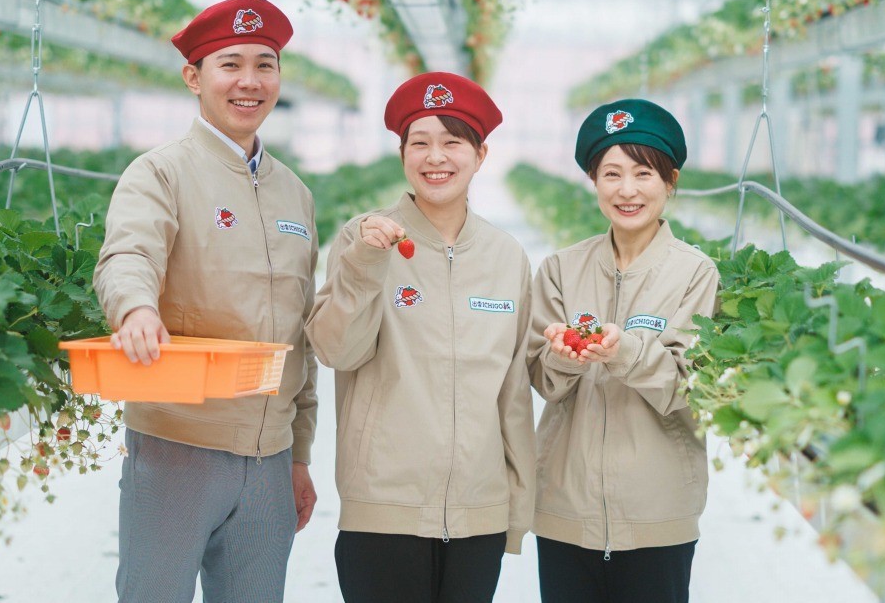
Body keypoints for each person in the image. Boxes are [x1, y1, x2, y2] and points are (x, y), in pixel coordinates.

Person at [92, 0, 319, 603]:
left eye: (265, 64)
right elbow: (128, 256)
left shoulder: (295, 195)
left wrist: (299, 454)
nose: (250, 81)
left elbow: (302, 333)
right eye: (230, 64)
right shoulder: (160, 173)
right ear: (194, 77)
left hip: (269, 456)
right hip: (179, 445)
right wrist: (136, 308)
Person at [305, 71, 535, 603]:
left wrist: (516, 509)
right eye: (420, 143)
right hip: (384, 512)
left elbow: (513, 394)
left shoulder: (506, 256)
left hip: (479, 515)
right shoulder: (365, 238)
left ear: (481, 155)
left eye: (453, 142)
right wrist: (365, 264)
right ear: (402, 154)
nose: (437, 158)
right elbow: (337, 350)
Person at [527, 98, 720, 603]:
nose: (627, 190)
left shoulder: (696, 273)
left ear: (670, 180)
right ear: (593, 181)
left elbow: (689, 387)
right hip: (565, 509)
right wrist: (560, 357)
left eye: (643, 173)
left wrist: (624, 351)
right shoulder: (560, 269)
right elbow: (542, 380)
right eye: (611, 173)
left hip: (659, 512)